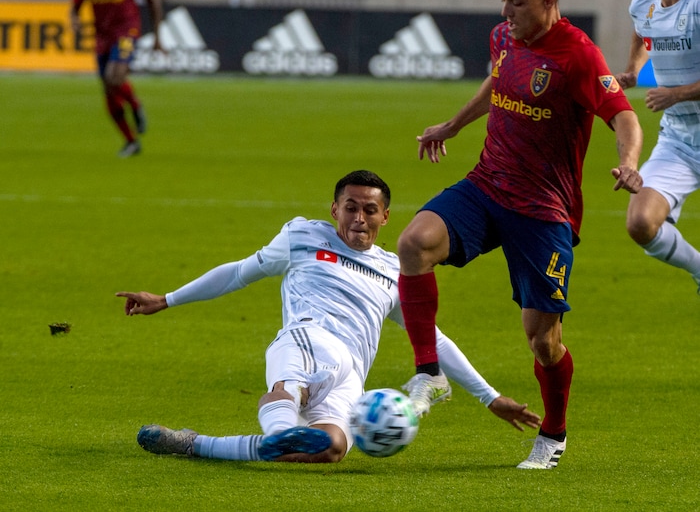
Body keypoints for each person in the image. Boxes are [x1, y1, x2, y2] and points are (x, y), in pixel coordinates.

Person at [395, 0, 645, 470]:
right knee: (413, 242)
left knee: (543, 341)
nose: (506, 10)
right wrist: (454, 124)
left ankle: (553, 436)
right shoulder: (504, 37)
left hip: (542, 210)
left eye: (517, 1)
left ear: (548, 1)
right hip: (488, 185)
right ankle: (430, 373)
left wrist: (627, 162)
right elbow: (498, 82)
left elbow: (623, 115)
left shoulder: (578, 56)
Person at [117, 170, 541, 464]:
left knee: (332, 448)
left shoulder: (396, 270)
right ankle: (270, 432)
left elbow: (433, 338)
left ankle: (200, 445)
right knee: (290, 392)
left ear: (385, 217)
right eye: (350, 207)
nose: (359, 218)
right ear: (334, 209)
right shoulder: (302, 236)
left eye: (369, 210)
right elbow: (240, 273)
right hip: (306, 338)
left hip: (351, 373)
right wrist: (168, 299)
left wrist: (490, 397)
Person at [616, 0, 700, 294]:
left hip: (678, 110)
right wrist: (633, 71)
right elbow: (641, 34)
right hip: (679, 138)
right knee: (640, 223)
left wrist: (676, 94)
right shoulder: (643, 5)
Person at [70, 0, 162, 158]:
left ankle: (135, 104)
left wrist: (158, 36)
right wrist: (74, 20)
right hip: (102, 39)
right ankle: (131, 142)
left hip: (126, 33)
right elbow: (75, 6)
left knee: (115, 75)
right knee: (108, 90)